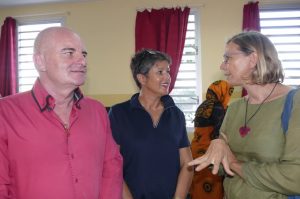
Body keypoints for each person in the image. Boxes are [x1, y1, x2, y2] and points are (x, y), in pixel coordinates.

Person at [0, 27, 123, 199]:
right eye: (69, 52)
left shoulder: (97, 111)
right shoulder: (5, 113)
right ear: (40, 61)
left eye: (84, 54)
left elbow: (111, 168)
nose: (82, 61)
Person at [188, 31, 300, 198]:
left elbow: (295, 178)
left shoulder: (294, 103)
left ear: (253, 58)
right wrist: (216, 146)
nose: (222, 66)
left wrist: (235, 164)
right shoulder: (235, 108)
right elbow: (219, 167)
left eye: (228, 58)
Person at [109, 49, 193, 199]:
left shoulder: (176, 115)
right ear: (142, 78)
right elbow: (111, 166)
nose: (167, 77)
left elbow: (187, 163)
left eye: (168, 71)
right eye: (160, 72)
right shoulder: (118, 114)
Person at [189, 80, 233, 199]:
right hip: (210, 150)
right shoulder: (218, 106)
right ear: (222, 92)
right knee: (211, 183)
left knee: (198, 181)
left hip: (196, 148)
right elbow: (219, 132)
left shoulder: (203, 105)